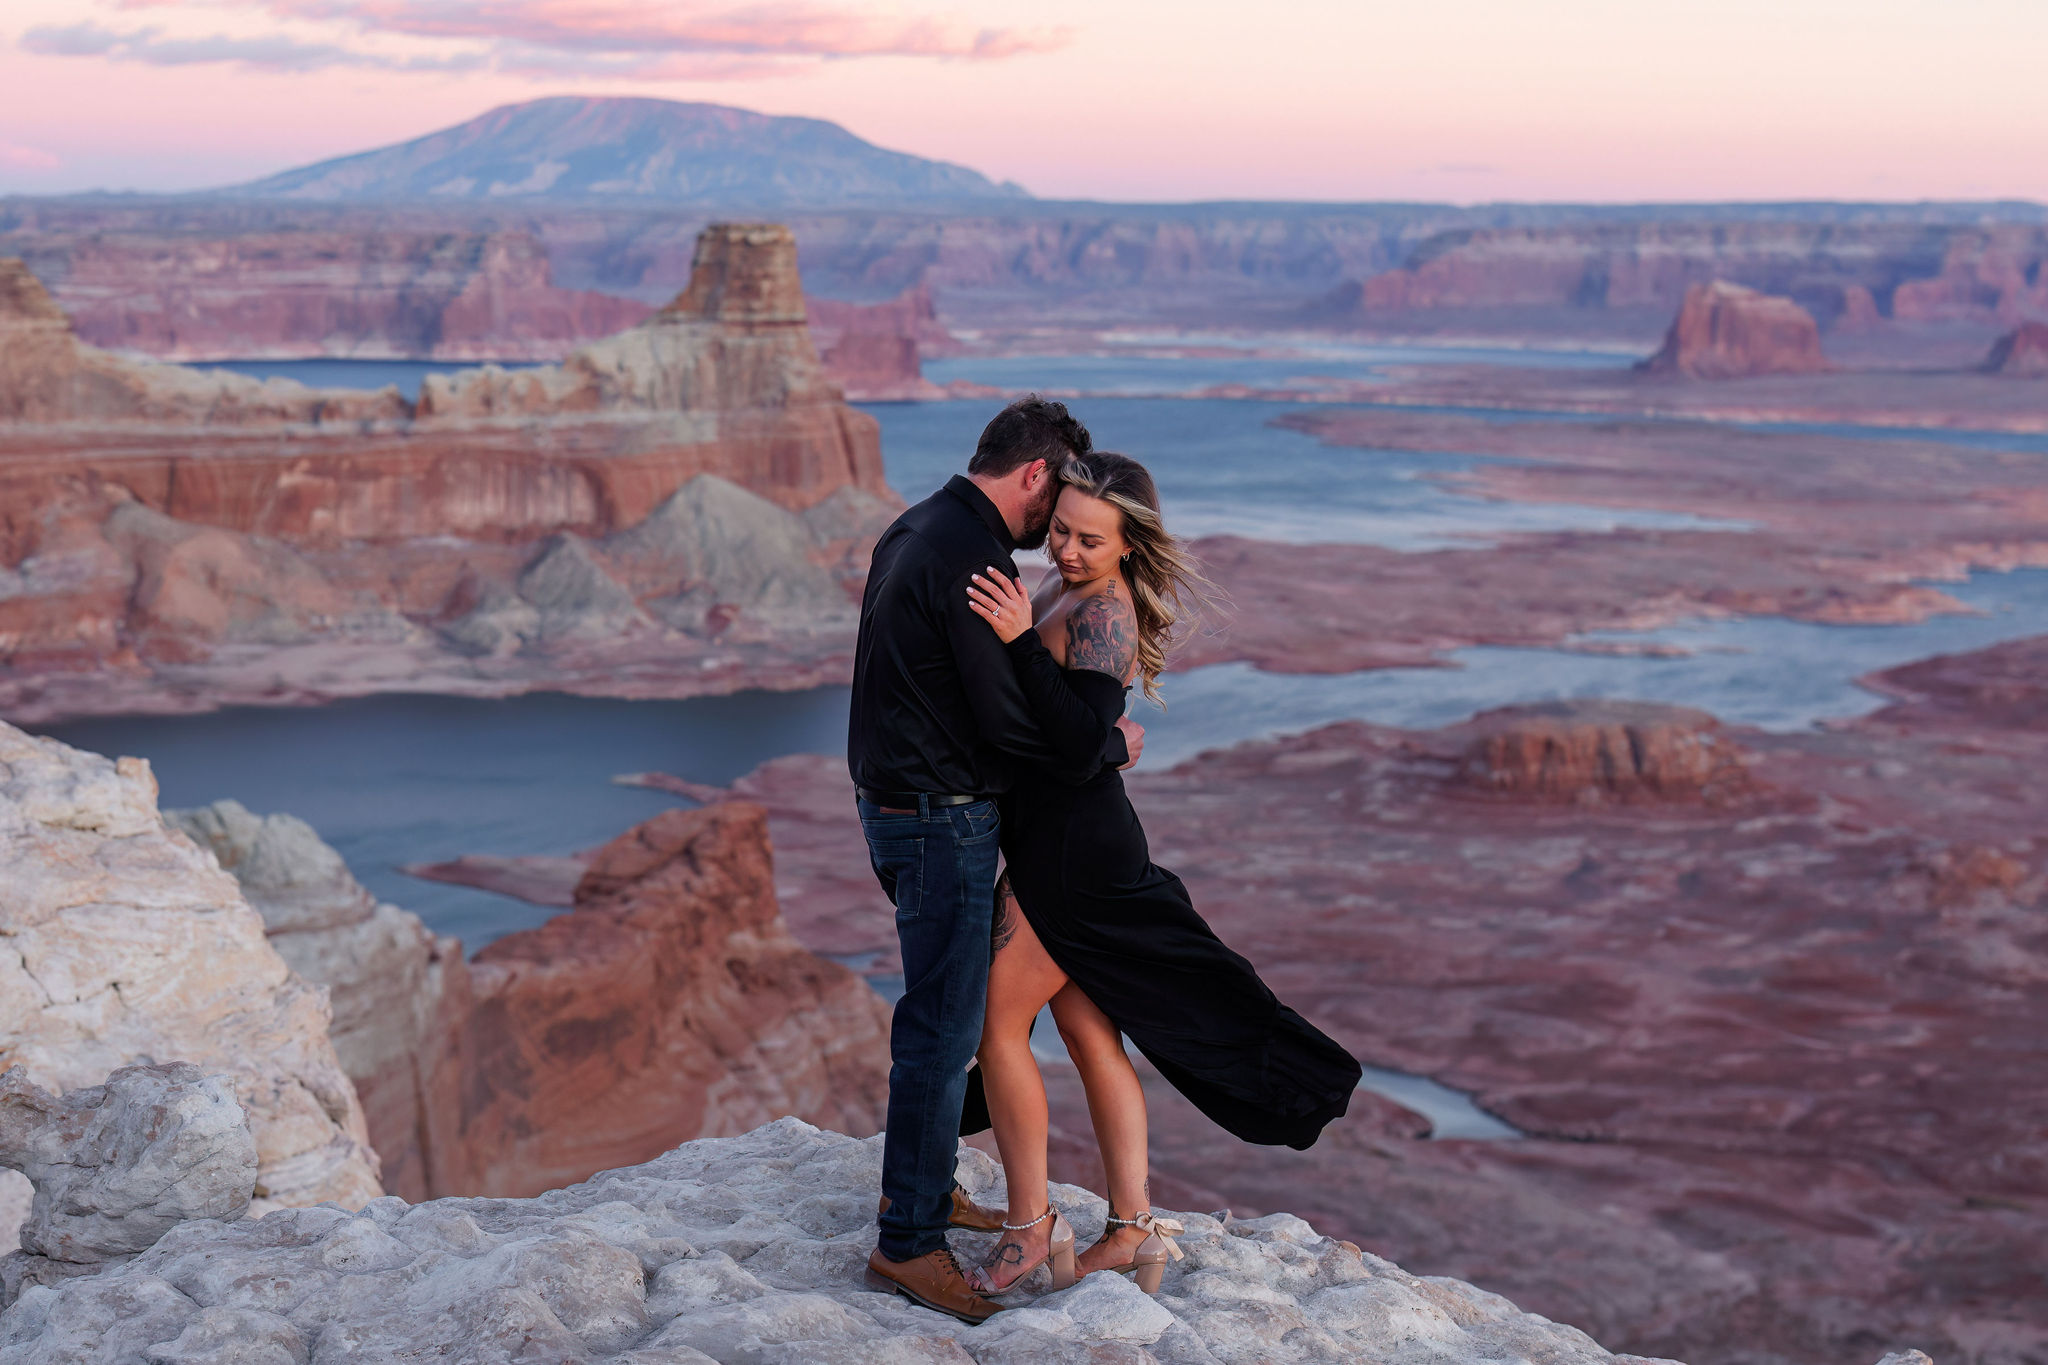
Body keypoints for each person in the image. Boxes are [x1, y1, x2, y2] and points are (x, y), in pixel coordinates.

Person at [957, 451, 1363, 1298]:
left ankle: (1029, 1228)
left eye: (1090, 540)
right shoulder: (1071, 591)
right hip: (1058, 841)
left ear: (1129, 548)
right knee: (1088, 1031)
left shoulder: (1104, 614)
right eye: (1061, 529)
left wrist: (1014, 643)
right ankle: (1132, 1230)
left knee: (999, 1023)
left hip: (1073, 854)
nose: (1066, 549)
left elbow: (1076, 740)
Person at [850, 396, 1145, 1325]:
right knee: (943, 1031)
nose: (1053, 534)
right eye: (1053, 505)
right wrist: (1112, 744)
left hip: (894, 803)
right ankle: (907, 1245)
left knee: (960, 1017)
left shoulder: (915, 523)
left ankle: (932, 1194)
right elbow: (1015, 725)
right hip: (940, 820)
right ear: (1033, 475)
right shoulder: (974, 561)